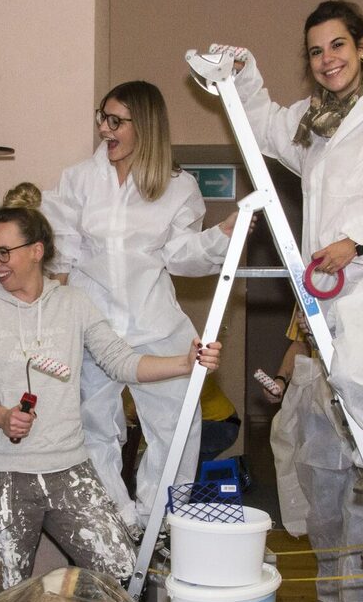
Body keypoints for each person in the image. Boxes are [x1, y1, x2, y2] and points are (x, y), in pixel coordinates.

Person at [221, 0, 363, 526]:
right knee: (342, 386)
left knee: (361, 379)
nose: (327, 59)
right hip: (331, 286)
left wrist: (358, 242)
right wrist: (243, 74)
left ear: (362, 44)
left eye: (338, 45)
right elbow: (264, 129)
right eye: (316, 51)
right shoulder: (315, 125)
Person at [0, 184, 222, 596]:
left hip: (69, 469)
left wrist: (185, 363)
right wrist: (0, 416)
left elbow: (122, 361)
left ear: (37, 250)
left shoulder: (74, 303)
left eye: (4, 252)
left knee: (123, 577)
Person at [42, 80, 236, 531]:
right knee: (92, 428)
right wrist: (53, 327)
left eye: (116, 122)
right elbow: (62, 258)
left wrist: (220, 236)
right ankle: (116, 519)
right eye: (102, 118)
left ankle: (162, 524)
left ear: (144, 126)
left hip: (155, 325)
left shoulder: (177, 185)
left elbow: (182, 256)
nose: (104, 130)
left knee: (177, 428)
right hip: (94, 326)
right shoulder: (78, 180)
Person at [266, 313, 363, 602]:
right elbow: (299, 345)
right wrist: (280, 380)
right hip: (320, 411)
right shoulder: (312, 283)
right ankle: (330, 598)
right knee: (324, 515)